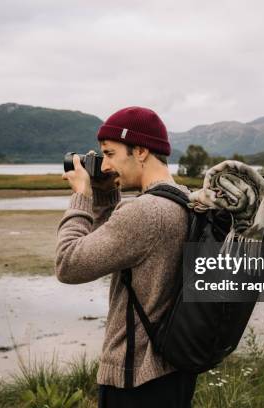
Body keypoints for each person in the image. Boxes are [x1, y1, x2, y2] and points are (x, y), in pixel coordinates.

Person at [56, 106, 197, 407]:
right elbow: (118, 249)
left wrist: (82, 195)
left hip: (135, 380)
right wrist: (106, 196)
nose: (105, 165)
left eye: (109, 153)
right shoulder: (185, 200)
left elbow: (68, 264)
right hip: (174, 371)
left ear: (141, 151)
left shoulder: (145, 212)